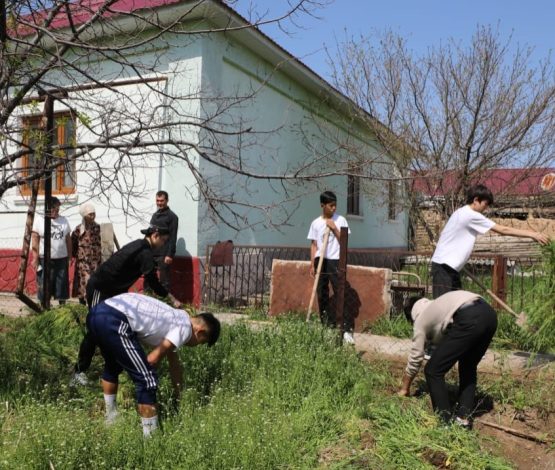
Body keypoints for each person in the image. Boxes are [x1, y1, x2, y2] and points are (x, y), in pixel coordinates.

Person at [86, 292, 220, 437]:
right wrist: (145, 374)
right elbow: (152, 359)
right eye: (201, 343)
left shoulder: (179, 317)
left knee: (113, 366)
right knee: (147, 380)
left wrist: (178, 396)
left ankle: (111, 418)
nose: (196, 345)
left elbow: (174, 365)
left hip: (97, 313)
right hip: (115, 318)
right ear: (200, 333)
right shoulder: (186, 329)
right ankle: (151, 440)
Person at [71, 224, 182, 386]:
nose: (163, 245)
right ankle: (78, 373)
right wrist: (171, 298)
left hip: (115, 292)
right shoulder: (144, 253)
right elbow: (152, 281)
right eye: (164, 241)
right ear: (155, 236)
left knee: (118, 327)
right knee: (95, 330)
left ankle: (114, 369)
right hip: (100, 288)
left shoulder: (140, 247)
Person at [398, 291, 498, 428]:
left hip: (469, 316)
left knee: (433, 371)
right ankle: (463, 419)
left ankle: (445, 422)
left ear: (411, 315)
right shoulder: (438, 306)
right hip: (490, 315)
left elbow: (416, 357)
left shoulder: (420, 320)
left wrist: (405, 388)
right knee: (468, 366)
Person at [431, 184, 550, 298]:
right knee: (443, 309)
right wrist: (533, 234)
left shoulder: (460, 212)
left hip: (449, 266)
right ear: (476, 200)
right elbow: (503, 229)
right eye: (485, 204)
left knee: (455, 306)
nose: (486, 208)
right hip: (444, 267)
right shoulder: (470, 215)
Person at [307, 190, 354, 343]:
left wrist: (334, 228)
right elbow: (314, 244)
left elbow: (344, 242)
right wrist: (312, 264)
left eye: (335, 205)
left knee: (341, 293)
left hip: (335, 261)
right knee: (322, 294)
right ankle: (327, 325)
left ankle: (346, 329)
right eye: (330, 205)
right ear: (323, 205)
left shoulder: (341, 221)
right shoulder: (315, 223)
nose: (334, 208)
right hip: (320, 260)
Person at [31, 196, 72, 306]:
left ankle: (62, 308)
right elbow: (35, 239)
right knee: (45, 284)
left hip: (61, 259)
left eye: (58, 209)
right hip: (45, 259)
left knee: (61, 285)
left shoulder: (63, 220)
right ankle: (44, 307)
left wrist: (70, 257)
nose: (56, 211)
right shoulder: (40, 220)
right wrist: (35, 258)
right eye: (54, 208)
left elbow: (68, 239)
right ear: (48, 208)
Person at [146, 190, 179, 292]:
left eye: (162, 201)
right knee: (148, 278)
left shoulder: (172, 217)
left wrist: (170, 254)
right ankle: (147, 300)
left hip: (164, 254)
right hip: (152, 253)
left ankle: (165, 303)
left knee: (164, 281)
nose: (159, 203)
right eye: (157, 200)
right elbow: (150, 234)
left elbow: (173, 236)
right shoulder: (154, 215)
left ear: (167, 200)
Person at [71, 203, 102, 305]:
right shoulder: (78, 230)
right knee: (83, 283)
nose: (92, 216)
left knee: (95, 283)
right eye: (90, 214)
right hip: (83, 263)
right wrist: (75, 256)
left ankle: (94, 304)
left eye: (94, 214)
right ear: (84, 215)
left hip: (96, 262)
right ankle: (82, 304)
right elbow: (73, 244)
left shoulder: (98, 228)